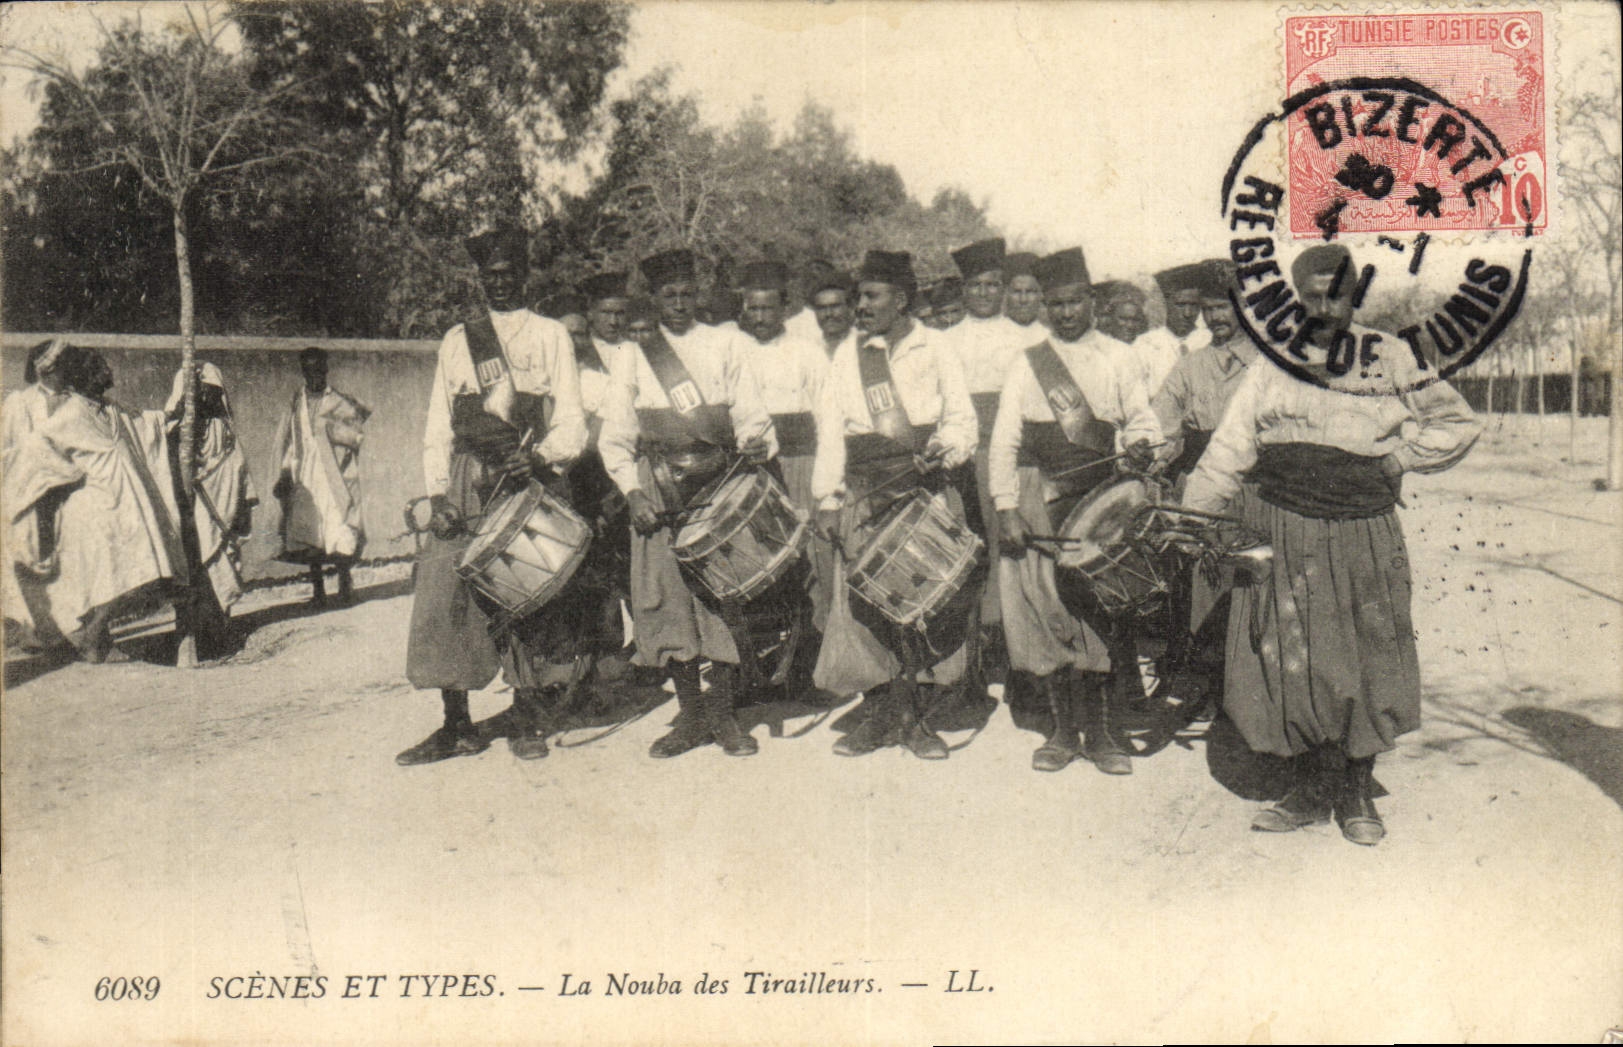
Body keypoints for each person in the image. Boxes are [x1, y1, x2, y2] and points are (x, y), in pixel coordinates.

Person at [1182, 243, 1481, 844]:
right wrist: (1194, 518)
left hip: (1360, 528)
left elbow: (1457, 422)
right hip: (1284, 527)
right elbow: (1231, 446)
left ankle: (1355, 794)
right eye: (1312, 295)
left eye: (1336, 293)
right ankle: (1309, 790)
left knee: (1364, 653)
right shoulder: (1272, 363)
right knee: (1291, 655)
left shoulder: (1391, 355)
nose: (1325, 305)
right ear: (1295, 299)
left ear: (1354, 293)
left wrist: (1398, 461)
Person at [400, 222, 588, 765]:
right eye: (490, 275)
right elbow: (439, 423)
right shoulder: (459, 339)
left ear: (525, 275)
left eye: (509, 274)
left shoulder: (550, 335)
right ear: (480, 278)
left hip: (524, 476)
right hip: (465, 478)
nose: (499, 284)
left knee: (524, 591)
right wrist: (438, 493)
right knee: (443, 592)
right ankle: (455, 724)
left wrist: (542, 455)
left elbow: (573, 420)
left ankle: (529, 714)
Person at [598, 247, 779, 758]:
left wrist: (757, 442)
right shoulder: (634, 353)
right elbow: (615, 434)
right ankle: (690, 716)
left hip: (718, 482)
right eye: (667, 295)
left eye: (686, 292)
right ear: (653, 300)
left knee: (722, 599)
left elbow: (751, 411)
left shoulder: (726, 342)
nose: (677, 302)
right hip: (657, 486)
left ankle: (723, 715)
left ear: (698, 294)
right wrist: (631, 491)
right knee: (668, 602)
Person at [991, 248, 1161, 774]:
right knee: (1049, 614)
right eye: (1054, 304)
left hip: (1102, 501)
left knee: (1104, 613)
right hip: (1040, 496)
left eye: (1073, 302)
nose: (1064, 314)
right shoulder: (1027, 361)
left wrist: (1142, 447)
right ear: (1045, 306)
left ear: (1091, 301)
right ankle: (1064, 733)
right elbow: (1004, 439)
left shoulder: (1118, 356)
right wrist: (1005, 507)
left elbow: (1143, 421)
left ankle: (1105, 735)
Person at [811, 248, 978, 760]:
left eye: (871, 295)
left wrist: (944, 451)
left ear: (901, 300)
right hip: (866, 491)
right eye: (859, 296)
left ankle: (914, 718)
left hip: (924, 490)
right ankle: (884, 712)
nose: (860, 305)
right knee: (869, 607)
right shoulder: (849, 354)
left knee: (921, 604)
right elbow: (832, 433)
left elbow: (962, 419)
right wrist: (827, 498)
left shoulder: (936, 347)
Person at [3, 348, 186, 663]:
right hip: (94, 508)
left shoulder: (112, 409)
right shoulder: (70, 414)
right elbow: (37, 450)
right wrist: (59, 481)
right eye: (101, 367)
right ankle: (94, 639)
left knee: (138, 573)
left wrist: (174, 413)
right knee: (110, 578)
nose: (108, 371)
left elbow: (146, 421)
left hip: (128, 506)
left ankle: (95, 636)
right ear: (82, 376)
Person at [736, 260, 832, 629]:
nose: (759, 316)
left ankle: (819, 645)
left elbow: (826, 416)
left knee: (809, 553)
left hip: (801, 463)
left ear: (784, 309)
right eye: (753, 308)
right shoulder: (734, 350)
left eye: (768, 308)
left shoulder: (807, 352)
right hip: (753, 468)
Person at [272, 347, 369, 605]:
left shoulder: (340, 401)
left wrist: (332, 431)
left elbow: (357, 435)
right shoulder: (296, 401)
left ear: (326, 371)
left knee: (339, 526)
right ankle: (317, 589)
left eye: (319, 370)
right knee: (310, 530)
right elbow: (291, 440)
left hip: (335, 474)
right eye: (309, 371)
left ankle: (344, 584)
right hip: (306, 474)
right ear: (303, 372)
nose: (315, 376)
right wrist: (285, 472)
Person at [164, 362, 256, 627]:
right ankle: (199, 627)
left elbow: (239, 470)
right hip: (195, 510)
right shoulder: (178, 431)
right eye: (199, 391)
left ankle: (222, 622)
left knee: (223, 558)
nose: (207, 397)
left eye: (212, 391)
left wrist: (242, 506)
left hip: (223, 512)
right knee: (199, 562)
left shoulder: (225, 431)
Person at [3, 338, 74, 648]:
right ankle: (33, 631)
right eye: (62, 366)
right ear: (46, 369)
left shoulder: (74, 401)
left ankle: (64, 632)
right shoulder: (20, 403)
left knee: (67, 558)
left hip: (67, 489)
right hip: (26, 491)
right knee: (26, 553)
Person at [1131, 263, 1213, 398]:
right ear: (1167, 303)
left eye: (1194, 305)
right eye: (1180, 305)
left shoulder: (1211, 341)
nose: (1188, 313)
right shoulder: (1144, 345)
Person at [807, 269, 856, 355]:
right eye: (821, 308)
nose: (828, 314)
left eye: (835, 306)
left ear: (850, 307)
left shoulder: (864, 345)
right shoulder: (806, 349)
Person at [1093, 281, 1150, 348]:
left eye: (1136, 320)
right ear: (1110, 317)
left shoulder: (1146, 349)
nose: (1130, 325)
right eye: (1123, 319)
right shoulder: (1097, 348)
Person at [1003, 252, 1044, 329]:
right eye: (1016, 292)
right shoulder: (992, 335)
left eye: (1030, 292)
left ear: (1041, 294)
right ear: (1006, 294)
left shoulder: (1048, 336)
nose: (1023, 299)